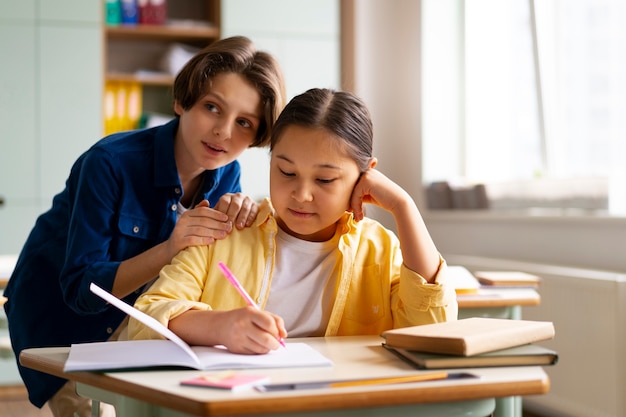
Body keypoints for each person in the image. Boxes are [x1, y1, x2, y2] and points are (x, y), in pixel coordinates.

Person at [3, 35, 286, 415]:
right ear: (181, 101)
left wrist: (238, 222)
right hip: (66, 322)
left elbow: (205, 271)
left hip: (143, 321)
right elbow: (81, 291)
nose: (224, 131)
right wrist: (171, 247)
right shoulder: (108, 163)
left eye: (244, 122)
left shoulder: (226, 173)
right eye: (212, 107)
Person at [128, 88, 458, 354]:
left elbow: (433, 329)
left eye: (325, 180)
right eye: (286, 172)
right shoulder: (227, 231)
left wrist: (404, 207)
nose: (301, 194)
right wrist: (220, 327)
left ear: (365, 175)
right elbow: (144, 320)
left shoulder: (379, 248)